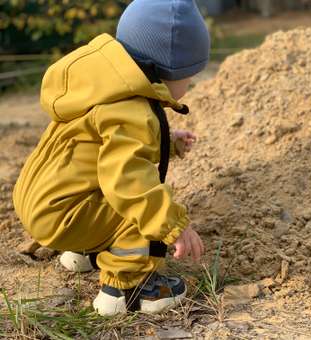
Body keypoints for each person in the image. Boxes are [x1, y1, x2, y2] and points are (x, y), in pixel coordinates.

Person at [13, 0, 210, 316]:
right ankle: (127, 289)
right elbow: (131, 182)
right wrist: (173, 224)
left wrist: (166, 142)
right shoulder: (130, 111)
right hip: (64, 215)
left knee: (103, 190)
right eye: (188, 76)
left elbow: (103, 143)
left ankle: (81, 252)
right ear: (166, 68)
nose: (189, 84)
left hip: (46, 201)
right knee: (142, 210)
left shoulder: (101, 87)